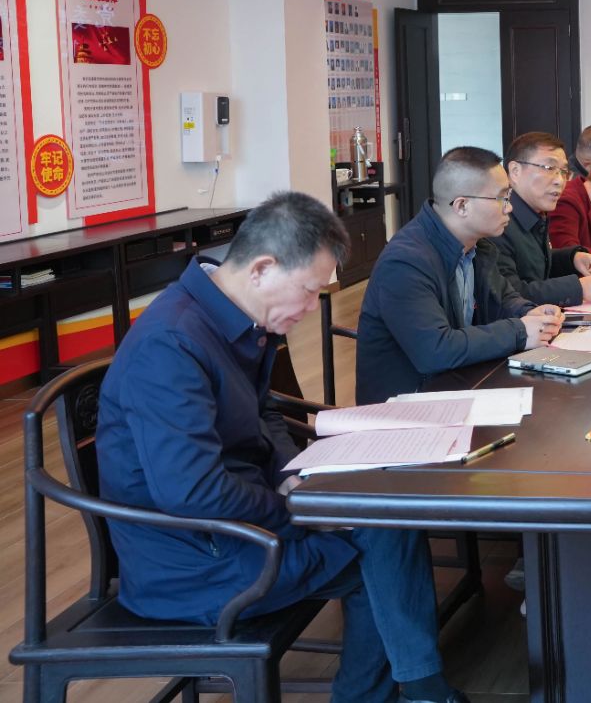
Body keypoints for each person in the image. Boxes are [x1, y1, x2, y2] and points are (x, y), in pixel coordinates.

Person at [96, 192, 471, 703]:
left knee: (381, 518)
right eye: (309, 291)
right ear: (261, 269)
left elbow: (265, 414)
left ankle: (412, 688)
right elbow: (190, 492)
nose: (312, 308)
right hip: (191, 561)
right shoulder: (172, 343)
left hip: (231, 529)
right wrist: (296, 509)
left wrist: (294, 473)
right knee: (377, 545)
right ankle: (408, 690)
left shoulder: (231, 317)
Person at [357, 146, 563, 405]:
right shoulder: (405, 261)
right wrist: (520, 331)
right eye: (501, 198)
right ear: (462, 206)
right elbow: (435, 349)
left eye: (508, 196)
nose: (509, 208)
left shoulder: (477, 246)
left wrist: (529, 312)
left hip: (459, 384)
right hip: (405, 406)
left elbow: (502, 299)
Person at [484, 131, 591, 307]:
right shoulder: (498, 221)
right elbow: (510, 294)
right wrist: (578, 288)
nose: (559, 181)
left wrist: (573, 258)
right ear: (515, 171)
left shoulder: (534, 213)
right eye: (549, 168)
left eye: (563, 171)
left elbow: (533, 265)